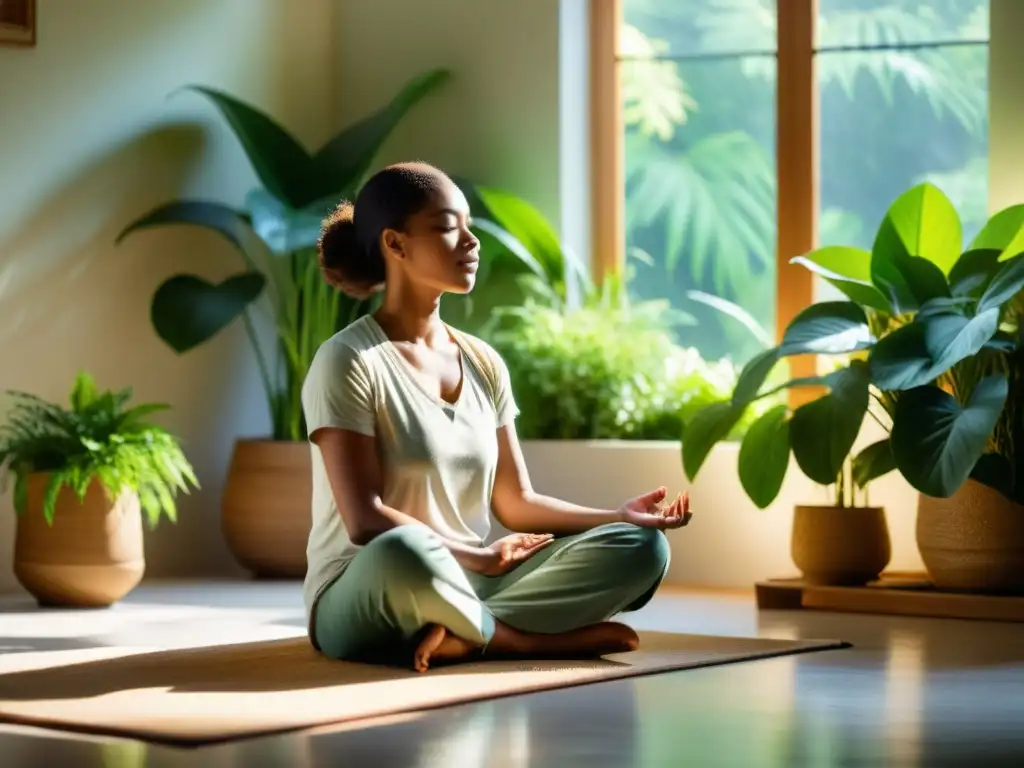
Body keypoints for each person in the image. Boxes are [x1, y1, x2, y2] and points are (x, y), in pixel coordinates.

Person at [301, 161, 692, 673]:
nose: (471, 241)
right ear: (395, 245)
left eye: (467, 225)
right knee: (405, 551)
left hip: (467, 581)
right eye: (447, 228)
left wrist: (618, 516)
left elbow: (517, 501)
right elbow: (364, 519)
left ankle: (467, 633)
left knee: (643, 548)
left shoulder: (483, 361)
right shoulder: (349, 360)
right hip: (371, 585)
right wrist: (477, 556)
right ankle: (518, 639)